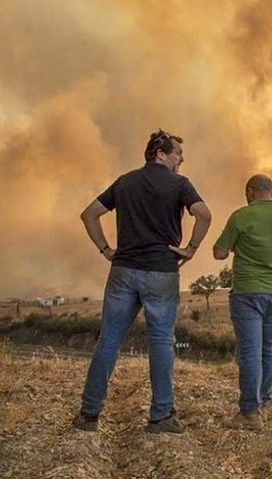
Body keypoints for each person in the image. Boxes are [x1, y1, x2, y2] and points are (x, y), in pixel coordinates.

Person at [73, 129, 211, 434]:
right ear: (160, 153)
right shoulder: (180, 184)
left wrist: (106, 250)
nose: (181, 160)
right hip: (161, 271)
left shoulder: (125, 181)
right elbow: (204, 214)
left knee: (108, 340)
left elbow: (88, 215)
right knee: (161, 341)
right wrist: (190, 249)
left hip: (123, 271)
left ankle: (88, 414)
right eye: (178, 154)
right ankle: (161, 417)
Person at [213, 174, 272, 430]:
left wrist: (239, 246)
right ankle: (263, 399)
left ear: (251, 192)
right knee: (268, 348)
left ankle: (249, 412)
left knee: (250, 352)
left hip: (247, 292)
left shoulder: (241, 216)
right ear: (271, 192)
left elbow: (219, 253)